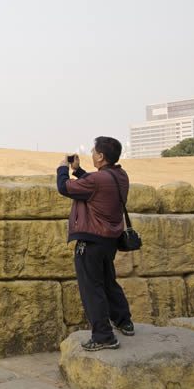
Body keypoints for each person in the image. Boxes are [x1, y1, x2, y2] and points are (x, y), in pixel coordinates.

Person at [56, 136, 134, 351]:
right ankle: (124, 321)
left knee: (92, 288)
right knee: (108, 282)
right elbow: (96, 186)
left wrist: (63, 169)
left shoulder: (98, 180)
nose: (91, 153)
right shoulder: (120, 175)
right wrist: (79, 171)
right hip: (110, 240)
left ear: (100, 156)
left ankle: (103, 336)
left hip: (91, 241)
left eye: (93, 151)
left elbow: (64, 188)